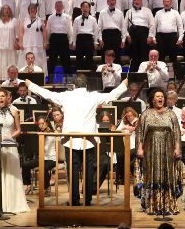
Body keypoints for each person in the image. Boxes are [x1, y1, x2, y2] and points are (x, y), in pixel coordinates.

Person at [26, 76, 128, 206]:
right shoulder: (93, 96)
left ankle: (74, 200)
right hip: (88, 140)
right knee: (88, 170)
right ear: (87, 86)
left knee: (73, 171)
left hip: (71, 140)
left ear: (74, 85)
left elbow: (47, 94)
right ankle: (87, 200)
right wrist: (124, 84)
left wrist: (31, 85)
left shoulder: (66, 96)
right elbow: (111, 95)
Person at [135, 88, 182, 216]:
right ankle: (152, 204)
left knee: (167, 175)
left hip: (168, 149)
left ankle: (167, 204)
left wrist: (177, 148)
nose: (160, 98)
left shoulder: (171, 114)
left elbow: (177, 132)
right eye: (157, 96)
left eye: (162, 96)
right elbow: (140, 133)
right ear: (152, 99)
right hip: (151, 150)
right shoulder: (146, 114)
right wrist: (140, 148)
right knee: (151, 174)